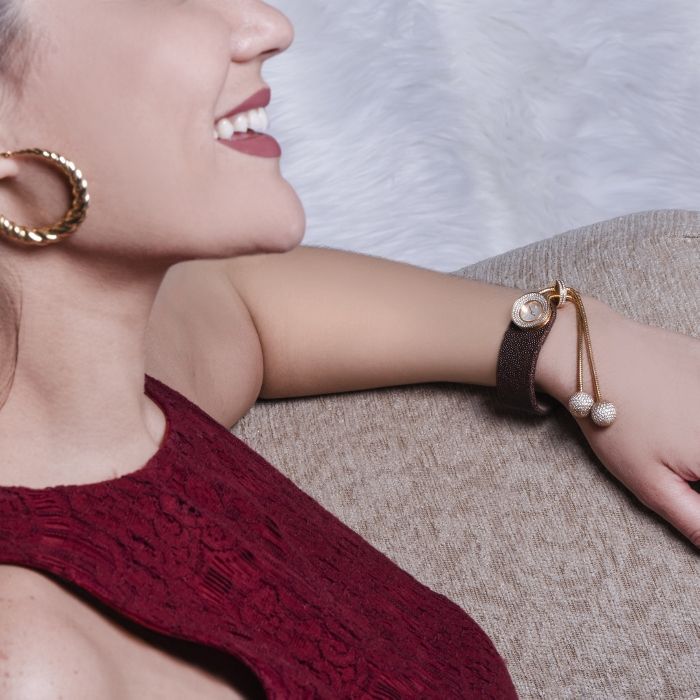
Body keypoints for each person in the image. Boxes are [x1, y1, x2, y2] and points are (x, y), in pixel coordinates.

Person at [0, 0, 697, 698]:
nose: (271, 26)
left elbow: (241, 297)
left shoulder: (99, 380)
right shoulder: (38, 661)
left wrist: (569, 339)